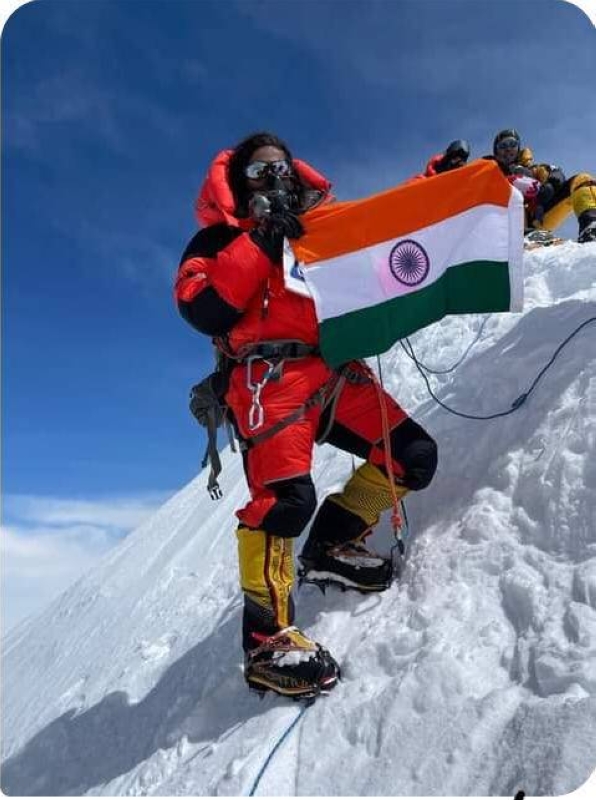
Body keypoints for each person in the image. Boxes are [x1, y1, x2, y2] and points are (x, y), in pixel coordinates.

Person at [174, 132, 438, 699]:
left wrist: (440, 181)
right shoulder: (215, 238)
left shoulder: (326, 226)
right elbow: (202, 307)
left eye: (281, 169)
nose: (274, 179)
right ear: (238, 184)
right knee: (285, 501)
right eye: (259, 172)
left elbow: (386, 223)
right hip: (268, 380)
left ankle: (332, 546)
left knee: (413, 457)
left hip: (337, 373)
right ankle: (266, 643)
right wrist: (263, 244)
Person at [486, 129, 596, 243]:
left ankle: (591, 226)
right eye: (503, 146)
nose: (508, 149)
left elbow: (555, 173)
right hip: (506, 223)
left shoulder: (532, 170)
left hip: (538, 216)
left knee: (582, 180)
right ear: (496, 151)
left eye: (512, 144)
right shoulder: (490, 171)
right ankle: (521, 237)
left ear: (518, 148)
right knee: (512, 195)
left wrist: (550, 186)